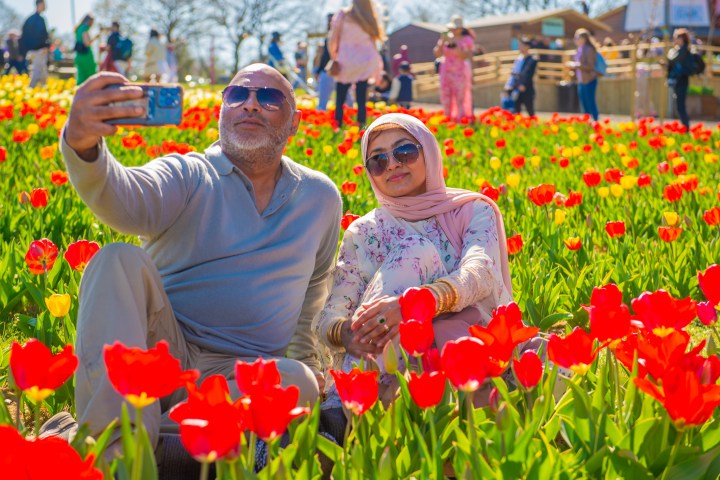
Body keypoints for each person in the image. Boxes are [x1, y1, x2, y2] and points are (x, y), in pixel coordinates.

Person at [58, 65, 342, 450]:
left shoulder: (319, 198)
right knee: (116, 260)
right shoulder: (189, 173)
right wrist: (84, 144)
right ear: (221, 111)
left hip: (240, 375)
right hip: (161, 357)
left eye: (269, 97)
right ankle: (124, 454)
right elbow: (124, 201)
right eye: (237, 95)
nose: (251, 105)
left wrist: (309, 367)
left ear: (294, 123)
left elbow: (312, 295)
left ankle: (132, 434)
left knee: (298, 383)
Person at [314, 113, 513, 408]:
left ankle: (346, 406)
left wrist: (413, 306)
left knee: (413, 252)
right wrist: (347, 333)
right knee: (410, 257)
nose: (392, 164)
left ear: (428, 152)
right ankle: (363, 395)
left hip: (460, 347)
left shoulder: (471, 211)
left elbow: (480, 272)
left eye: (404, 151)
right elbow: (330, 315)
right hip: (391, 353)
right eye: (378, 160)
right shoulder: (364, 232)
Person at [328, 0, 385, 128]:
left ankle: (337, 126)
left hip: (345, 61)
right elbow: (374, 45)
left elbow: (333, 38)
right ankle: (362, 128)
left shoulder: (343, 15)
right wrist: (377, 67)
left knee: (340, 99)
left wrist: (333, 56)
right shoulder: (369, 18)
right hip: (364, 62)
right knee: (361, 100)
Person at [434, 15, 474, 122]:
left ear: (462, 28)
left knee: (460, 97)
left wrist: (455, 45)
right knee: (446, 97)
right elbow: (437, 54)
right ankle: (447, 119)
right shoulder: (446, 38)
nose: (455, 30)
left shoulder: (466, 40)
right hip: (446, 71)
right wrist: (443, 41)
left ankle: (461, 120)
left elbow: (466, 56)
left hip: (460, 72)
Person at [568, 28, 599, 121]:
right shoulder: (579, 49)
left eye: (577, 38)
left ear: (584, 38)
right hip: (581, 80)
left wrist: (576, 66)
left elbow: (590, 66)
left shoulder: (589, 49)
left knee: (590, 102)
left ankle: (595, 121)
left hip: (589, 80)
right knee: (584, 104)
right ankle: (587, 123)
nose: (575, 40)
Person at [667, 28, 694, 132]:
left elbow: (684, 67)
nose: (674, 39)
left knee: (680, 105)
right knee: (679, 105)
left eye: (676, 37)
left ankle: (686, 128)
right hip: (677, 81)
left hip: (682, 80)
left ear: (681, 38)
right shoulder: (677, 50)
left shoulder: (684, 51)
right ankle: (685, 127)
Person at [20, 0, 50, 87]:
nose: (45, 6)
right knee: (37, 73)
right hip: (38, 50)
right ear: (39, 4)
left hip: (34, 50)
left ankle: (45, 94)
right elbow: (42, 35)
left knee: (43, 73)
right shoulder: (38, 19)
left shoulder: (31, 19)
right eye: (44, 4)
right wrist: (45, 46)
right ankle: (30, 92)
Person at [505, 39, 537, 116]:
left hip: (526, 88)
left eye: (522, 46)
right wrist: (509, 85)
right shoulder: (518, 59)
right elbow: (513, 73)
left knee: (530, 110)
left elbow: (529, 73)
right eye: (519, 46)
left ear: (527, 47)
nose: (520, 48)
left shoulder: (532, 59)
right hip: (516, 88)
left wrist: (524, 84)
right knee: (516, 111)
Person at [73, 14, 98, 85]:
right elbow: (87, 43)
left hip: (78, 56)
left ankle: (79, 94)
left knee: (81, 76)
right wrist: (95, 38)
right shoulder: (85, 28)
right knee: (90, 77)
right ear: (89, 21)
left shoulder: (78, 28)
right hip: (86, 56)